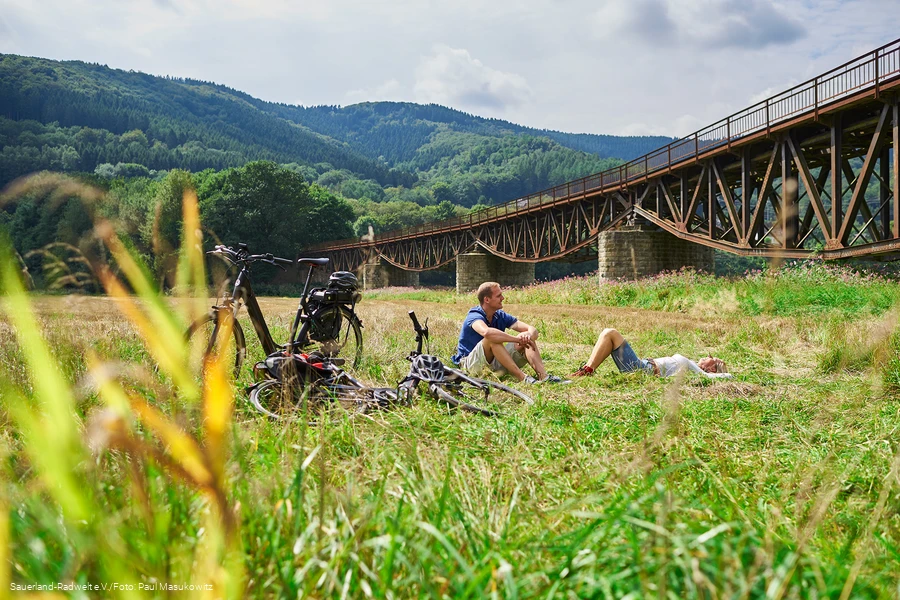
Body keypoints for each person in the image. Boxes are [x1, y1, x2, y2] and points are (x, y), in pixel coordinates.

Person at [452, 282, 567, 384]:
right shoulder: (474, 315)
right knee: (492, 338)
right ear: (487, 299)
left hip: (494, 362)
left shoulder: (499, 315)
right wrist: (517, 339)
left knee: (525, 335)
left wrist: (528, 336)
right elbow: (486, 333)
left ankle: (544, 377)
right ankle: (523, 378)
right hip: (471, 366)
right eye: (498, 296)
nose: (503, 298)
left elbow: (532, 329)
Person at [571, 328, 731, 378]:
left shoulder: (699, 373)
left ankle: (587, 370)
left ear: (712, 369)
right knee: (608, 335)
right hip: (641, 365)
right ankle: (586, 369)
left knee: (610, 333)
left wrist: (722, 374)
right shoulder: (691, 367)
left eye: (713, 358)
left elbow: (727, 376)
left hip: (642, 369)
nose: (708, 356)